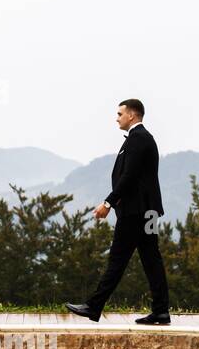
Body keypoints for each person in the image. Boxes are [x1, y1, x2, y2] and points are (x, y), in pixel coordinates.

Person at [66, 98, 171, 325]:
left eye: (120, 114)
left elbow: (129, 177)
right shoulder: (142, 139)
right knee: (152, 259)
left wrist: (108, 203)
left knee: (118, 259)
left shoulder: (138, 139)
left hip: (136, 212)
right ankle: (161, 311)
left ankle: (93, 307)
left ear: (132, 115)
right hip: (148, 212)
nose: (117, 118)